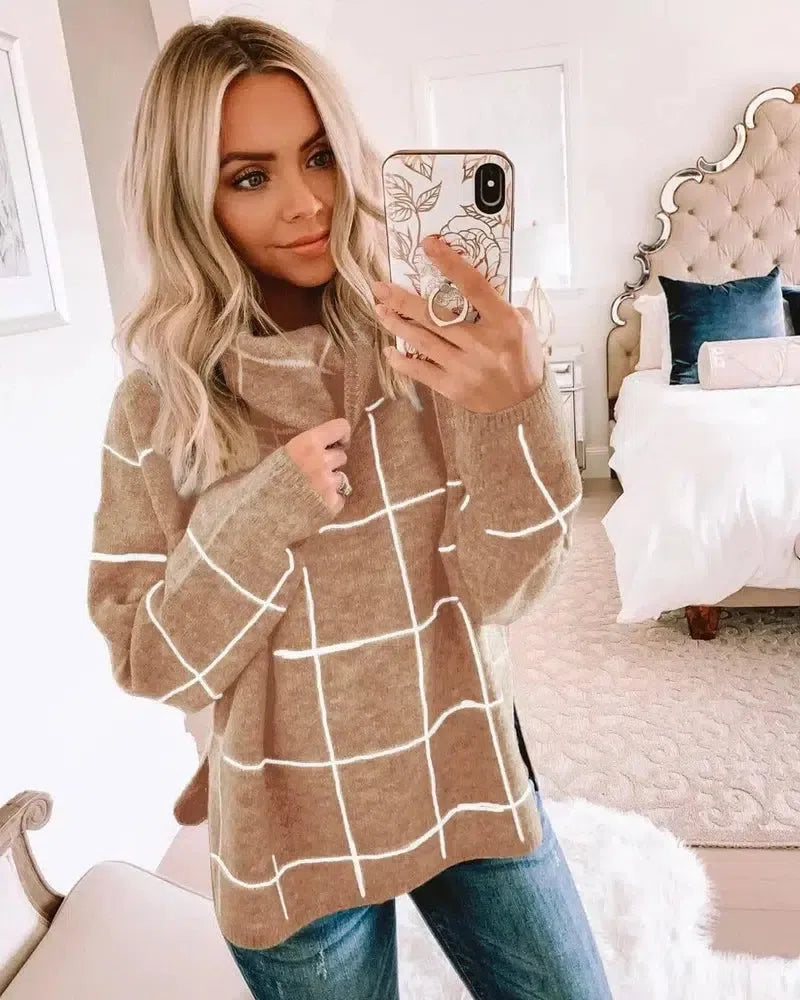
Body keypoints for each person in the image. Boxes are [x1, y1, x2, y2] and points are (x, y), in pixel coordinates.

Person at [86, 15, 610, 1000]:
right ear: (187, 197)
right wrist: (261, 511)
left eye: (320, 155)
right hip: (291, 835)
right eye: (250, 176)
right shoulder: (158, 408)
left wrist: (513, 409)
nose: (306, 202)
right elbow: (155, 665)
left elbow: (506, 588)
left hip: (461, 766)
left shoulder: (426, 346)